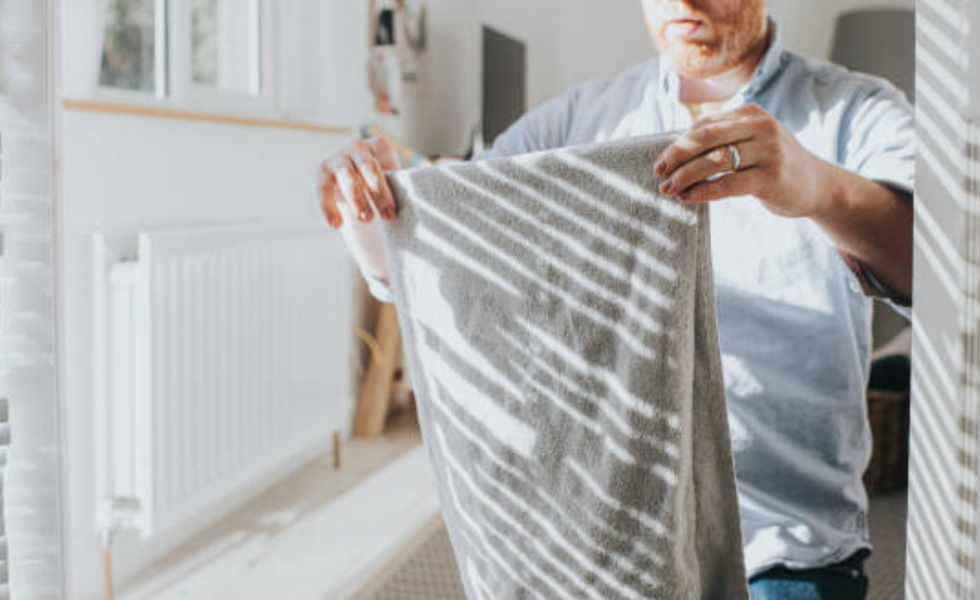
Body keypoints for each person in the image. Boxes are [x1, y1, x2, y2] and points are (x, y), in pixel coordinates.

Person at [317, 1, 914, 598]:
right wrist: (376, 214)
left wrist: (816, 186)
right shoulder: (574, 122)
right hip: (604, 532)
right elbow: (451, 250)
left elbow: (931, 268)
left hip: (783, 544)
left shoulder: (856, 112)